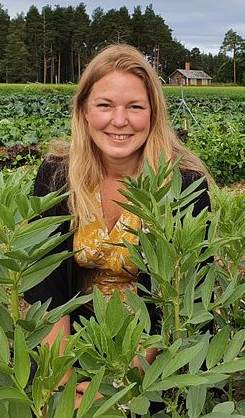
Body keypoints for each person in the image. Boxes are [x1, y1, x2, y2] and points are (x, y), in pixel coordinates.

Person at [24, 44, 211, 402]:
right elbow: (45, 287)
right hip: (76, 336)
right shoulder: (56, 175)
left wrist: (124, 385)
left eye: (135, 107)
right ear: (84, 110)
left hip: (158, 346)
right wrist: (62, 380)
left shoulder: (185, 184)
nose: (120, 120)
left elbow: (186, 296)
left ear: (154, 113)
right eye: (105, 105)